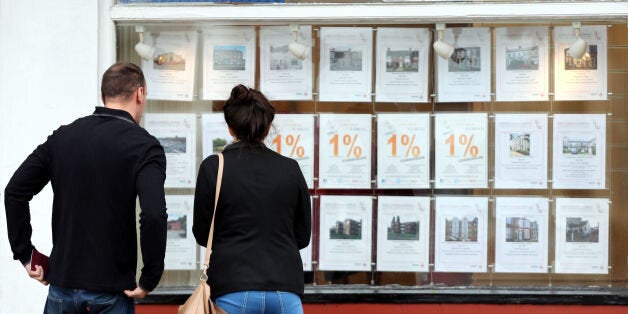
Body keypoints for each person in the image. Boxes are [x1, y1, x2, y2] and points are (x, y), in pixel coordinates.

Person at [4, 62, 168, 313]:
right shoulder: (145, 146)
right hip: (112, 292)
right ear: (140, 94)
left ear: (103, 96)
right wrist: (150, 277)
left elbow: (14, 192)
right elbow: (154, 215)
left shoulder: (63, 138)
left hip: (62, 287)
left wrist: (26, 254)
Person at [193, 84, 311, 313]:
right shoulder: (291, 169)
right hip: (286, 288)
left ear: (230, 128)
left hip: (233, 285)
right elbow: (303, 236)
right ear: (267, 128)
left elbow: (202, 233)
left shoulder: (213, 167)